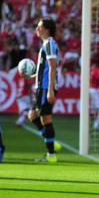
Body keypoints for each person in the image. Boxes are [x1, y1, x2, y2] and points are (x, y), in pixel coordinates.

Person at [26, 17, 62, 163]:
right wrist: (32, 76)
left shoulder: (49, 44)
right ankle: (51, 142)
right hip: (42, 86)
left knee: (45, 118)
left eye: (39, 27)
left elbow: (53, 67)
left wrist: (50, 90)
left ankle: (51, 154)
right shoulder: (46, 44)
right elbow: (45, 68)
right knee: (32, 115)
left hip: (46, 87)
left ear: (46, 29)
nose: (37, 29)